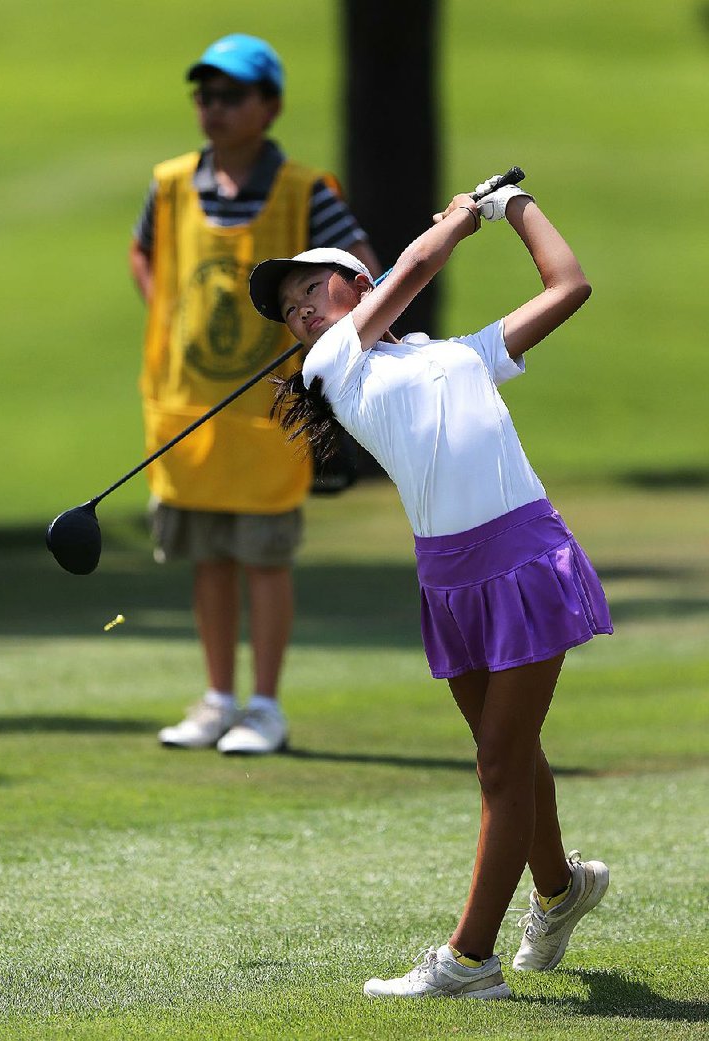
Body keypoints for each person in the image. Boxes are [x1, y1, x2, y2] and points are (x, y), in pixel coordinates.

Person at [248, 176, 612, 998]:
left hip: (523, 562)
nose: (302, 309)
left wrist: (511, 208)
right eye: (291, 306)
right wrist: (456, 219)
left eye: (313, 287)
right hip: (449, 580)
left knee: (499, 761)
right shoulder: (332, 363)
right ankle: (562, 890)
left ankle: (469, 961)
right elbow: (415, 266)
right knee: (512, 755)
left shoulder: (461, 356)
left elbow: (569, 286)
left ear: (357, 285)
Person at [129, 34, 379, 755]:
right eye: (205, 95)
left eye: (231, 95)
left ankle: (264, 706)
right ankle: (217, 698)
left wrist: (326, 336)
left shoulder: (304, 191)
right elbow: (143, 251)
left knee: (265, 557)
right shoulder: (172, 181)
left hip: (271, 417)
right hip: (189, 410)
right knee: (209, 556)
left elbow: (364, 271)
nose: (214, 108)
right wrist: (166, 315)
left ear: (268, 106)